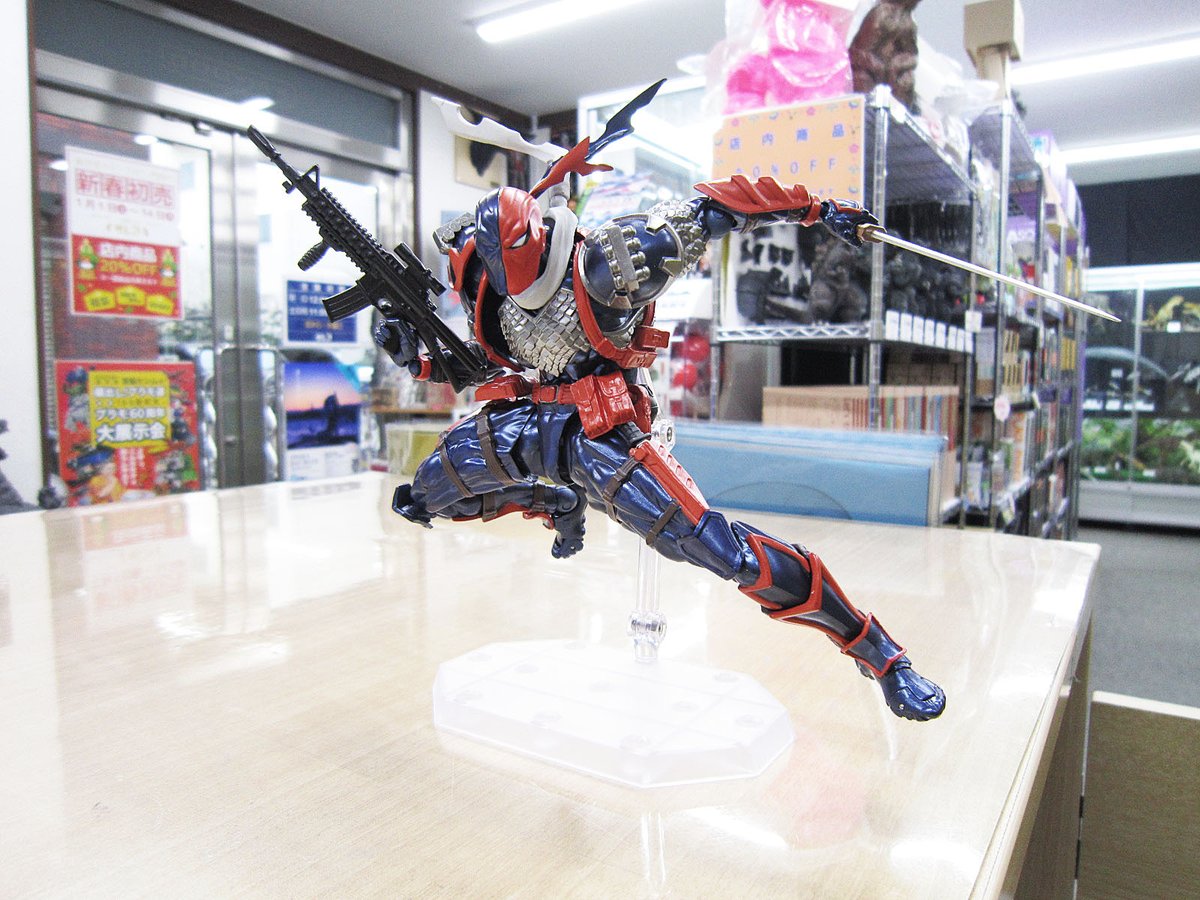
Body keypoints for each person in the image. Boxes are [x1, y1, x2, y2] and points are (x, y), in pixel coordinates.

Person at [375, 149, 946, 722]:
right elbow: (487, 360)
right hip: (528, 417)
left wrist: (818, 210)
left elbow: (719, 209)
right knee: (423, 495)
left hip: (600, 429)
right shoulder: (486, 283)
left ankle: (879, 653)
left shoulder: (610, 263)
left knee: (713, 546)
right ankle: (555, 501)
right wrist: (417, 360)